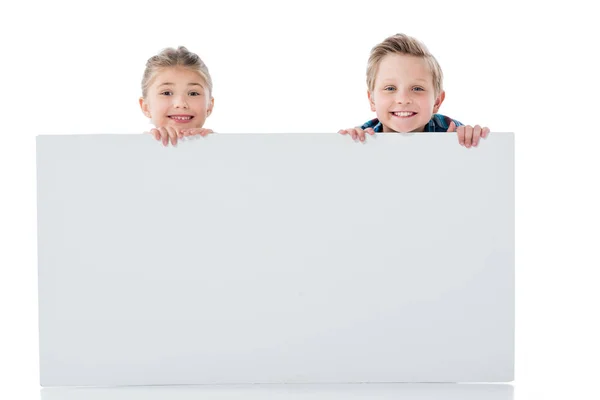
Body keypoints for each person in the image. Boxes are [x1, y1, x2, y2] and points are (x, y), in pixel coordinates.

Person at [338, 33, 489, 148]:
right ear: (372, 100)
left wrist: (471, 144)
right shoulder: (361, 139)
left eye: (417, 88)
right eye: (390, 88)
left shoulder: (451, 132)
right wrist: (343, 149)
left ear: (437, 101)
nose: (403, 99)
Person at [139, 46, 214, 146]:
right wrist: (144, 145)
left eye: (193, 93)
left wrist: (217, 145)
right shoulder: (135, 150)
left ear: (209, 106)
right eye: (166, 93)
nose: (181, 104)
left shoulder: (225, 149)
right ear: (146, 107)